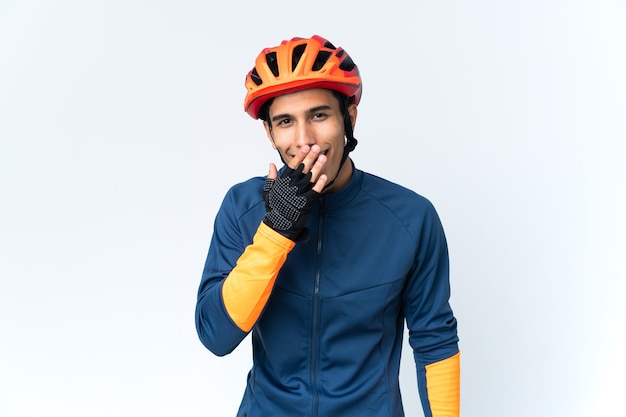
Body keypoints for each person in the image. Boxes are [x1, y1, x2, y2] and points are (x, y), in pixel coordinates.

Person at [195, 34, 460, 417]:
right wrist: (275, 231)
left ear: (349, 118)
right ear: (270, 133)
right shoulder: (243, 207)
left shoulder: (410, 217)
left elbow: (434, 342)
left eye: (319, 115)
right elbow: (216, 335)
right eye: (285, 121)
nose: (305, 140)